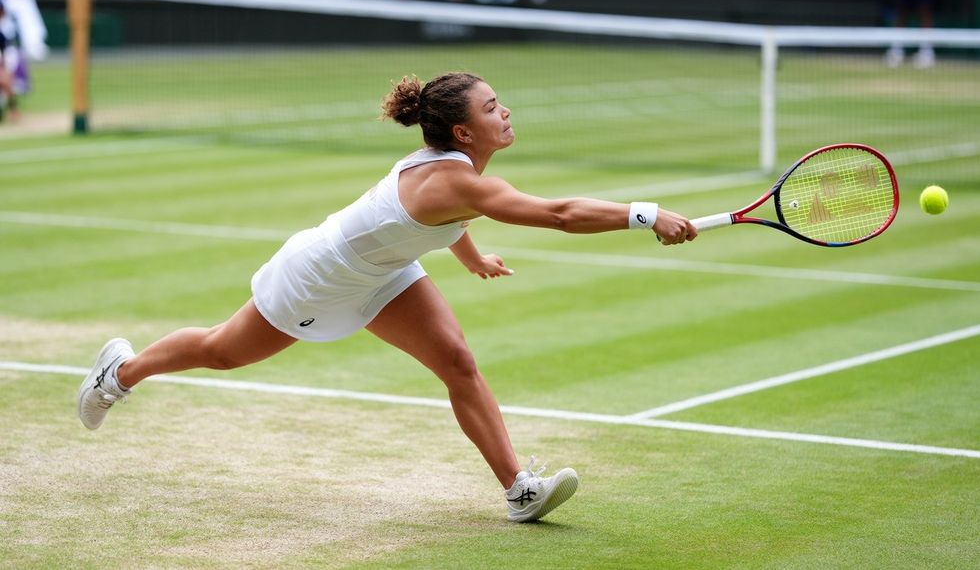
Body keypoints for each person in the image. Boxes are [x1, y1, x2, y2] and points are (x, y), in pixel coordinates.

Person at [77, 72, 697, 522]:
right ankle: (119, 372)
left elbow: (449, 218)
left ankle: (519, 489)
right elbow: (559, 214)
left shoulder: (455, 171)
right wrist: (647, 215)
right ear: (462, 129)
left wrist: (473, 256)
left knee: (458, 363)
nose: (504, 112)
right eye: (492, 107)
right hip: (320, 274)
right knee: (222, 351)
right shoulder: (455, 176)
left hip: (385, 272)